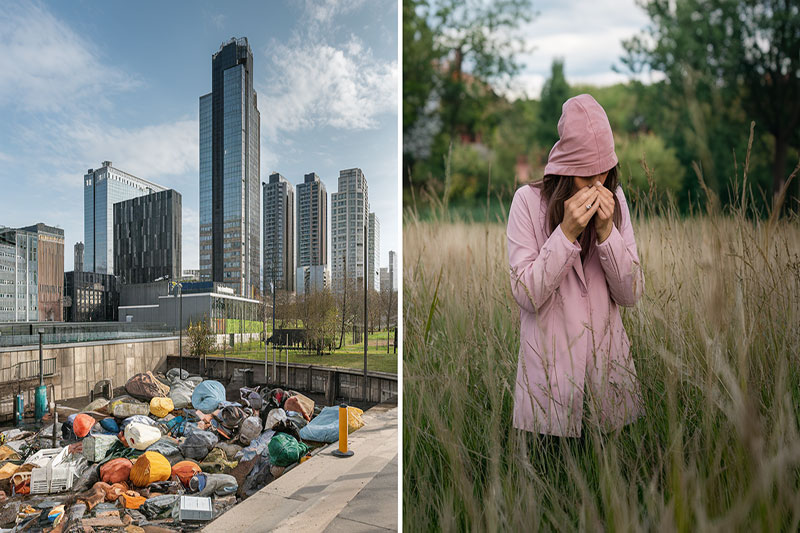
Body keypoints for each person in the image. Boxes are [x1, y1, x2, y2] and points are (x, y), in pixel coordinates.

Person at [506, 94, 645, 438]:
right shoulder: (527, 202)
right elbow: (525, 294)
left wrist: (607, 233)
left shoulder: (618, 201)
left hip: (607, 383)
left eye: (604, 176)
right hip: (549, 390)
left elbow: (631, 293)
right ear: (565, 172)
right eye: (586, 180)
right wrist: (565, 233)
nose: (598, 188)